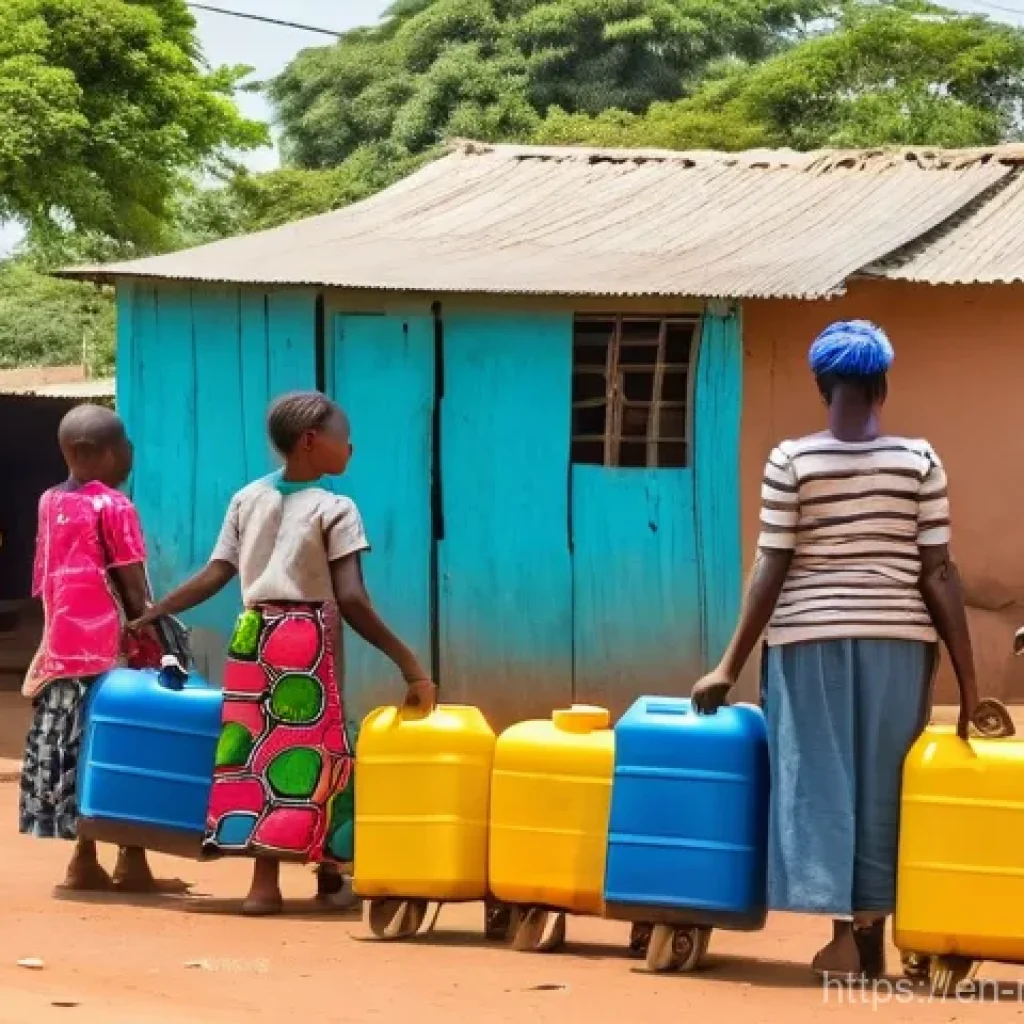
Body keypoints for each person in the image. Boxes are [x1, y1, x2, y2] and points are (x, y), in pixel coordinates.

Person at [691, 320, 995, 980]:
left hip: (809, 642)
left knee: (825, 783)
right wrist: (971, 689)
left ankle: (843, 939)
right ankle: (872, 936)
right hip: (898, 640)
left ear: (821, 386)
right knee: (885, 786)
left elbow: (771, 565)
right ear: (882, 385)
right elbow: (939, 572)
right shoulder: (919, 461)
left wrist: (727, 665)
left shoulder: (792, 461)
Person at [132, 391, 437, 915]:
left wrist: (155, 611)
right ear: (312, 442)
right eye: (344, 438)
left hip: (251, 635)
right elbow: (353, 599)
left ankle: (263, 885)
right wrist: (409, 663)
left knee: (254, 752)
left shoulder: (246, 498)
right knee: (325, 751)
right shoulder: (335, 508)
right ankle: (330, 875)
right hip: (306, 636)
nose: (352, 447)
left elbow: (216, 574)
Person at [20, 404, 176, 894]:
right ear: (102, 454)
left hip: (61, 652)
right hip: (113, 652)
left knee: (74, 751)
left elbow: (48, 578)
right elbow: (132, 588)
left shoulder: (49, 501)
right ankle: (133, 860)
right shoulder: (113, 505)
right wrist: (158, 637)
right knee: (130, 747)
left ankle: (82, 858)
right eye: (124, 442)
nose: (131, 450)